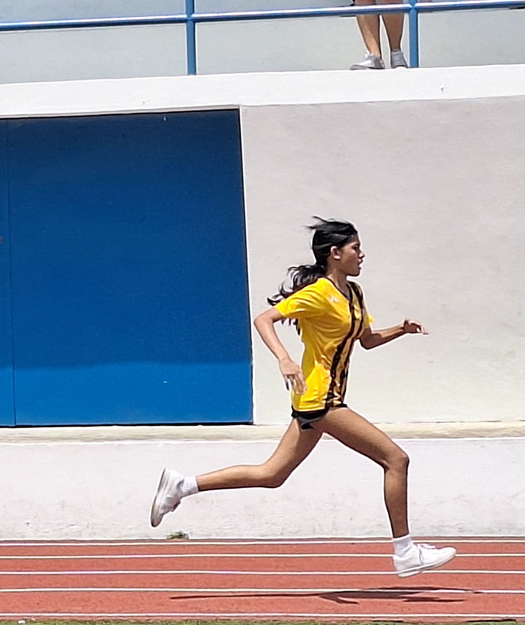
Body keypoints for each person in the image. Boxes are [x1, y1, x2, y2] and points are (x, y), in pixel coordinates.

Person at [150, 218, 457, 579]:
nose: (362, 254)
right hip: (321, 399)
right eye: (356, 248)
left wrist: (400, 331)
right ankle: (405, 552)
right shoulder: (317, 294)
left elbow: (367, 340)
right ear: (335, 253)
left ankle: (182, 485)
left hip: (319, 399)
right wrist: (284, 357)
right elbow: (265, 319)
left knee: (272, 474)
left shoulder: (354, 294)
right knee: (396, 459)